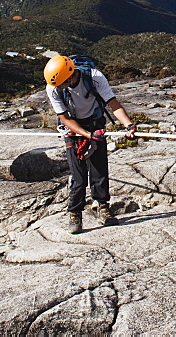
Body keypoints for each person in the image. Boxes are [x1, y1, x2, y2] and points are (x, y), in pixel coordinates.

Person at [44, 55, 137, 234]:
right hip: (72, 129)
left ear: (70, 76)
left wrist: (128, 125)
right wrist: (88, 135)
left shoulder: (94, 77)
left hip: (95, 124)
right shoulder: (53, 87)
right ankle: (75, 212)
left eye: (62, 83)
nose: (59, 88)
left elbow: (112, 103)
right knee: (78, 175)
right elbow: (64, 117)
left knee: (99, 170)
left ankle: (102, 206)